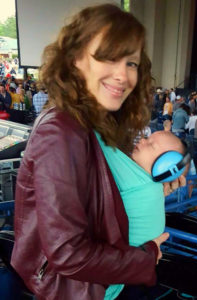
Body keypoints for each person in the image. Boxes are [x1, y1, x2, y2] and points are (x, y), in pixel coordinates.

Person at [11, 4, 184, 300]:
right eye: (108, 57)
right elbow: (68, 254)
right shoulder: (61, 131)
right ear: (76, 59)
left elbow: (100, 191)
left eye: (131, 63)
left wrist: (163, 177)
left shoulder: (94, 120)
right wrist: (146, 257)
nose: (122, 74)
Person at [95, 130, 188, 299]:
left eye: (151, 145)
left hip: (85, 287)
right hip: (108, 289)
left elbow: (91, 134)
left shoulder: (135, 179)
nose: (142, 142)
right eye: (147, 138)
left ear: (167, 166)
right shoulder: (150, 187)